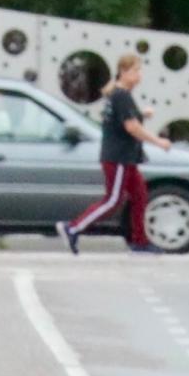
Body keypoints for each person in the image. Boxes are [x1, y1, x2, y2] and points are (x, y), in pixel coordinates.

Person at [58, 53, 153, 254]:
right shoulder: (121, 96)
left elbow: (122, 119)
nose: (140, 75)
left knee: (140, 195)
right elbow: (131, 127)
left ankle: (140, 241)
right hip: (118, 158)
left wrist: (141, 114)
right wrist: (159, 142)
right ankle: (73, 228)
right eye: (136, 70)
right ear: (124, 72)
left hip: (126, 158)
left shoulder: (118, 95)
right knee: (113, 200)